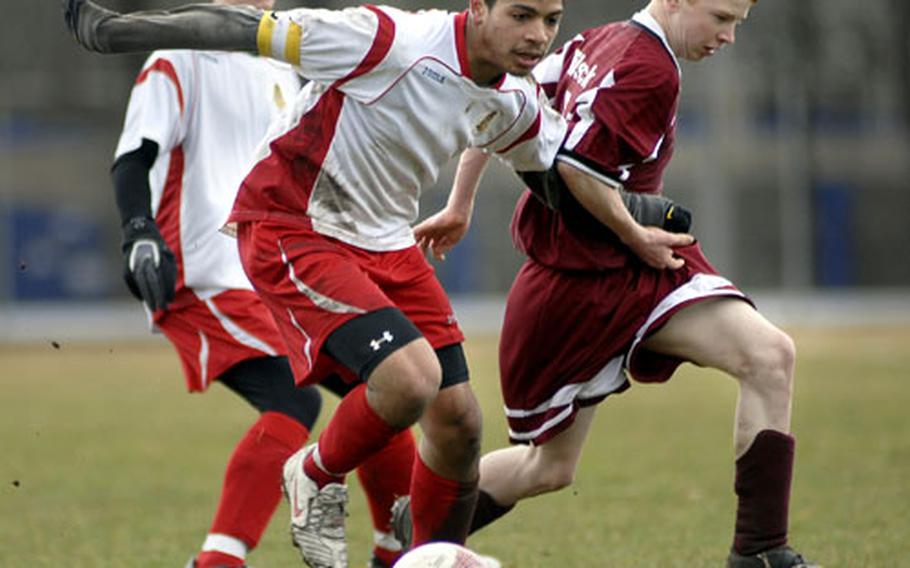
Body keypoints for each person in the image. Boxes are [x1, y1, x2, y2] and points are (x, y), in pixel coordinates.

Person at [64, 0, 567, 567]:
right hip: (259, 243)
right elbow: (153, 132)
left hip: (374, 244)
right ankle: (271, 513)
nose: (538, 35)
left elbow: (549, 168)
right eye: (523, 15)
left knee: (445, 417)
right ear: (479, 9)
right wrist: (139, 229)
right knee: (360, 388)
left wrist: (639, 228)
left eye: (551, 19)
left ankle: (408, 555)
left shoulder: (510, 96)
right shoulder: (371, 40)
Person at [412, 1, 818, 566]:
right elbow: (578, 168)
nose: (727, 37)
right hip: (581, 281)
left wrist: (460, 204)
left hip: (634, 269)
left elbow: (504, 104)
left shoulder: (600, 41)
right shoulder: (644, 66)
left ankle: (760, 551)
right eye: (720, 18)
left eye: (737, 24)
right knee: (548, 469)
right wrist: (634, 233)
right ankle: (420, 528)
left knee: (770, 356)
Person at [106, 1, 415, 566]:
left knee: (388, 391)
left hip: (270, 272)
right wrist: (138, 233)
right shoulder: (177, 59)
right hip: (200, 274)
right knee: (292, 400)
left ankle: (397, 556)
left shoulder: (281, 66)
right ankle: (216, 562)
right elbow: (134, 156)